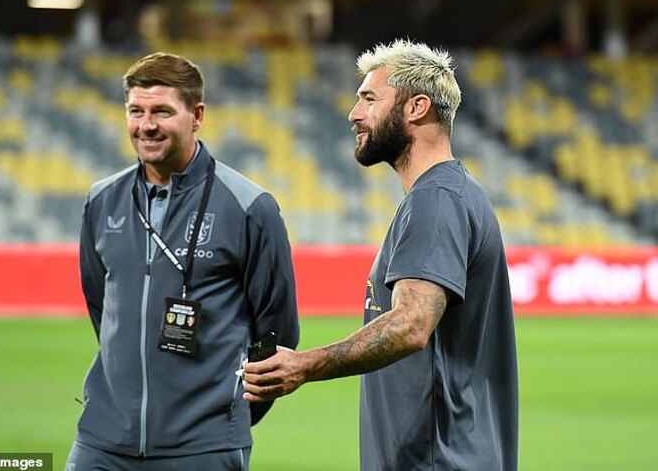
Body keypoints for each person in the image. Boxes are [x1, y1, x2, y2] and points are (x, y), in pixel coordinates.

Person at [242, 39, 518, 470]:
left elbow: (411, 324)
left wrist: (304, 365)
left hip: (436, 460)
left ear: (416, 108)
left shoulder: (436, 200)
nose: (354, 114)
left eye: (369, 99)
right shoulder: (450, 193)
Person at [66, 52, 300, 471]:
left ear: (197, 116)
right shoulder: (102, 200)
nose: (146, 125)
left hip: (203, 447)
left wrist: (227, 416)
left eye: (162, 111)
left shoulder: (249, 207)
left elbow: (276, 331)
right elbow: (101, 306)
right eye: (135, 111)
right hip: (102, 441)